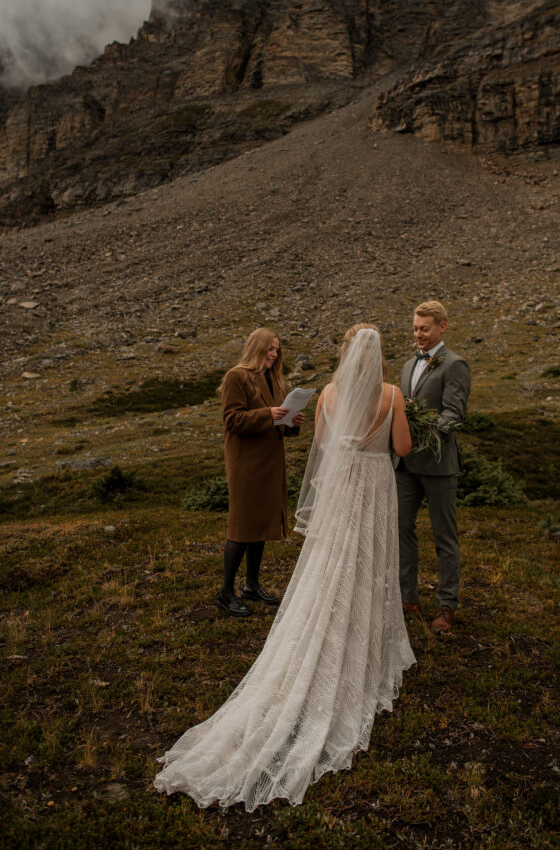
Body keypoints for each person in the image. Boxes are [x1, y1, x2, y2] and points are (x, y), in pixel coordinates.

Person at [155, 324, 415, 811]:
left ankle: (274, 595)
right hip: (375, 485)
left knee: (331, 558)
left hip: (343, 488)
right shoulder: (393, 394)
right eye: (271, 348)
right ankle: (266, 596)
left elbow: (321, 443)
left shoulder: (332, 394)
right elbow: (401, 448)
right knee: (368, 555)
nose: (276, 353)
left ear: (344, 353)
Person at [217, 327, 304, 618]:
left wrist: (292, 421)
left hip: (270, 462)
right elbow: (232, 420)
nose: (274, 354)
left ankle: (252, 585)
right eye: (270, 348)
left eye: (277, 349)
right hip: (246, 464)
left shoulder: (274, 380)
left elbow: (280, 426)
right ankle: (226, 592)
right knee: (242, 525)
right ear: (257, 348)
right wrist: (269, 414)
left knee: (260, 524)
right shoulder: (236, 376)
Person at [395, 300, 470, 634]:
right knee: (401, 529)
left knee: (444, 537)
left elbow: (454, 414)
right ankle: (406, 597)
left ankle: (446, 606)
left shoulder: (455, 364)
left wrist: (427, 430)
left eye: (424, 328)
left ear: (442, 327)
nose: (418, 334)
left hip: (439, 465)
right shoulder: (408, 364)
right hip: (405, 464)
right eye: (415, 328)